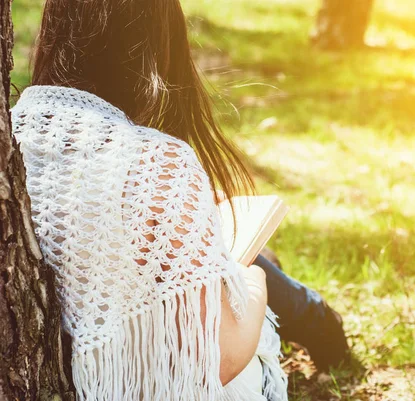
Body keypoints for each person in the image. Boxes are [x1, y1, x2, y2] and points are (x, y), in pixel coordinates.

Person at [11, 0, 347, 400]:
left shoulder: (11, 136)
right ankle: (321, 322)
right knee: (252, 266)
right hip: (163, 385)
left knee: (233, 251)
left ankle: (312, 312)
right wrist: (255, 285)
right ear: (156, 46)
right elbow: (216, 360)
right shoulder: (153, 159)